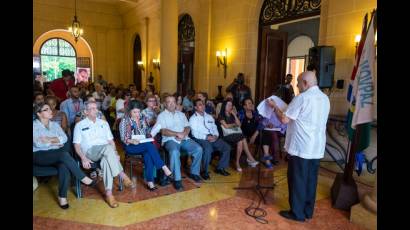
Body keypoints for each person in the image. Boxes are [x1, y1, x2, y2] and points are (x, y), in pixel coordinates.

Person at [268, 71, 330, 222]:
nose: (296, 85)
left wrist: (274, 106)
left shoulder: (302, 98)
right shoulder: (325, 98)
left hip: (302, 147)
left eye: (298, 82)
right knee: (311, 181)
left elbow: (284, 119)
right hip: (316, 147)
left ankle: (297, 213)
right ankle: (308, 211)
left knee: (297, 180)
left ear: (305, 83)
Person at [33, 103, 95, 209]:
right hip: (39, 156)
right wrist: (56, 141)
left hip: (56, 155)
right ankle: (83, 178)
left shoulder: (55, 125)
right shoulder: (34, 126)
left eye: (50, 108)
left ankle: (62, 197)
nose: (50, 111)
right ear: (39, 114)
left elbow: (64, 139)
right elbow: (38, 144)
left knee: (64, 165)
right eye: (46, 109)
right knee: (63, 154)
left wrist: (49, 140)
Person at [73, 101, 135, 208]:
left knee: (106, 160)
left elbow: (111, 141)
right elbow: (77, 145)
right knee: (107, 148)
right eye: (92, 108)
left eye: (96, 108)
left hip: (106, 152)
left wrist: (115, 153)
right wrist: (83, 158)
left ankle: (109, 195)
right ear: (86, 112)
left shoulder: (104, 123)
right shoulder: (79, 125)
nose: (95, 110)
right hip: (90, 152)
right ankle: (122, 175)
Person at [119, 100, 174, 191]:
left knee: (148, 153)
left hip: (143, 143)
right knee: (149, 146)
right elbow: (123, 138)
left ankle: (150, 182)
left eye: (138, 111)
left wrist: (153, 130)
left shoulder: (142, 117)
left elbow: (147, 131)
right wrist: (131, 140)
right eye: (134, 112)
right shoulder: (125, 120)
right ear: (129, 111)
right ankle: (164, 167)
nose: (137, 114)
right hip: (130, 146)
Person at [156, 95, 203, 191]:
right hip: (170, 140)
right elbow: (163, 131)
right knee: (174, 152)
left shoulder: (181, 114)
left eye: (173, 101)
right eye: (169, 102)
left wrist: (184, 133)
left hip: (184, 138)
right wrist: (177, 134)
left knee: (198, 149)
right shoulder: (161, 116)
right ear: (165, 104)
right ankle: (177, 179)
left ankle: (194, 172)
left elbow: (187, 127)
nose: (172, 104)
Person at [189, 99, 231, 179]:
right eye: (200, 104)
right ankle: (204, 171)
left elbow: (214, 127)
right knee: (208, 149)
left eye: (203, 104)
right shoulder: (193, 119)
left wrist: (215, 135)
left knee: (226, 147)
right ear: (195, 107)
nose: (203, 106)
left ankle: (220, 168)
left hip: (212, 137)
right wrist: (206, 137)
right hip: (201, 138)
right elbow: (194, 133)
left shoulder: (209, 117)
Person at [218, 99, 258, 172]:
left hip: (235, 135)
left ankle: (237, 162)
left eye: (231, 105)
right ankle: (249, 158)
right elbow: (226, 126)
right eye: (228, 105)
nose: (230, 107)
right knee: (243, 137)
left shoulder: (232, 115)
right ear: (224, 106)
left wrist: (234, 114)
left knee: (240, 141)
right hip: (226, 136)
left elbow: (239, 125)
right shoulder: (221, 115)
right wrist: (234, 125)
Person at [238, 98, 277, 169]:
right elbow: (238, 127)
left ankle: (266, 156)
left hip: (255, 135)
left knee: (266, 134)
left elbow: (261, 123)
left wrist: (255, 135)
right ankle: (266, 159)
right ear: (244, 106)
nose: (251, 104)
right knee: (262, 135)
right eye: (248, 103)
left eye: (251, 103)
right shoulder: (241, 113)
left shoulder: (255, 113)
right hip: (245, 136)